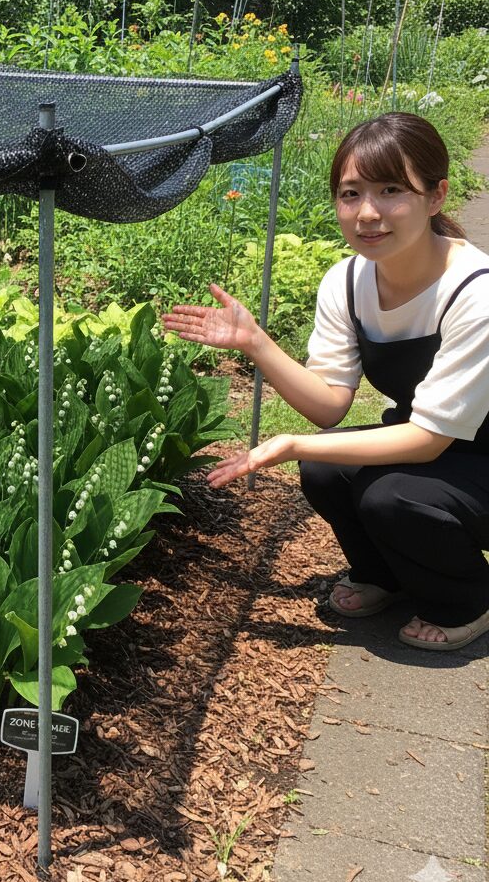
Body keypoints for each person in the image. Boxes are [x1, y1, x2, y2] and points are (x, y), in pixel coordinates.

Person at [161, 112, 489, 652]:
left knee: (391, 497)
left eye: (391, 191)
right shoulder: (348, 280)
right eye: (350, 193)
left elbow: (429, 439)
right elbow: (329, 405)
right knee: (324, 468)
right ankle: (385, 575)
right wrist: (256, 343)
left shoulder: (474, 292)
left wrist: (291, 444)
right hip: (439, 445)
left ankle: (466, 600)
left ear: (436, 196)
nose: (367, 213)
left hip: (472, 455)